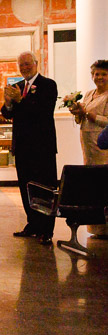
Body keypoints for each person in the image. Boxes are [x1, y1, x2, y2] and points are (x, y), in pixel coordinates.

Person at [1, 50, 58, 244]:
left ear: (36, 64)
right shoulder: (17, 86)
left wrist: (20, 100)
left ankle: (46, 229)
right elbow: (8, 114)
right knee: (26, 189)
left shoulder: (48, 85)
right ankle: (32, 224)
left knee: (45, 188)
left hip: (43, 148)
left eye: (28, 64)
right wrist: (8, 103)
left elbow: (42, 111)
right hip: (22, 147)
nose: (25, 68)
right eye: (21, 65)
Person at [68, 59, 108, 236]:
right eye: (96, 74)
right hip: (88, 147)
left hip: (103, 147)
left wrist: (92, 116)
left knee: (104, 185)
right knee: (93, 186)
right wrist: (78, 113)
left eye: (104, 74)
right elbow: (81, 119)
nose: (99, 77)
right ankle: (96, 228)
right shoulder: (89, 93)